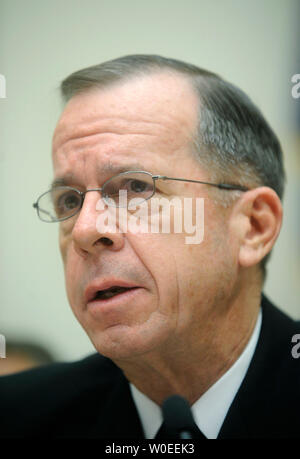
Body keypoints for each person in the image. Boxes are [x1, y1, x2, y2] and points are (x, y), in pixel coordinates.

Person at [0, 55, 299, 439]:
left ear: (253, 226)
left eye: (135, 188)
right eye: (70, 201)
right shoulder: (16, 418)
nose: (84, 230)